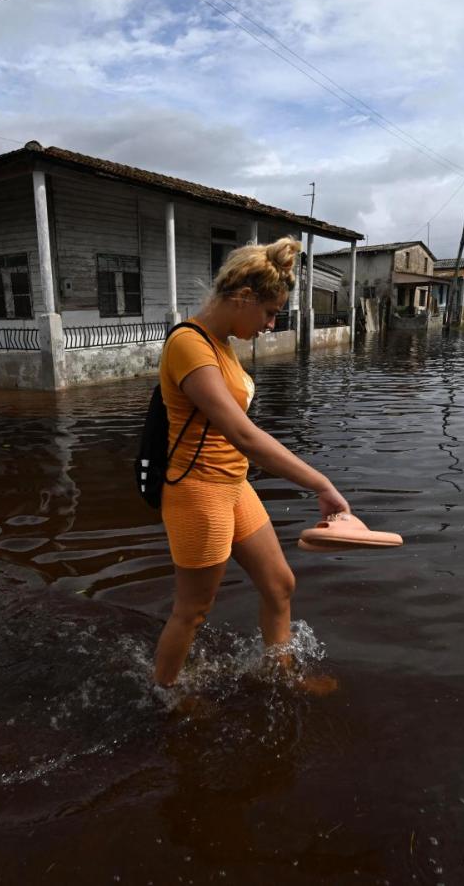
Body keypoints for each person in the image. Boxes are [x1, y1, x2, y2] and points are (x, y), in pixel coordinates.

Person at [153, 237, 350, 691]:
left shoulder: (222, 344)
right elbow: (241, 434)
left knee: (280, 584)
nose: (271, 323)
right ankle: (164, 695)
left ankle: (279, 674)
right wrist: (321, 483)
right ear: (242, 298)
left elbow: (238, 440)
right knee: (193, 610)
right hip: (198, 491)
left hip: (232, 484)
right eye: (268, 312)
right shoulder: (189, 343)